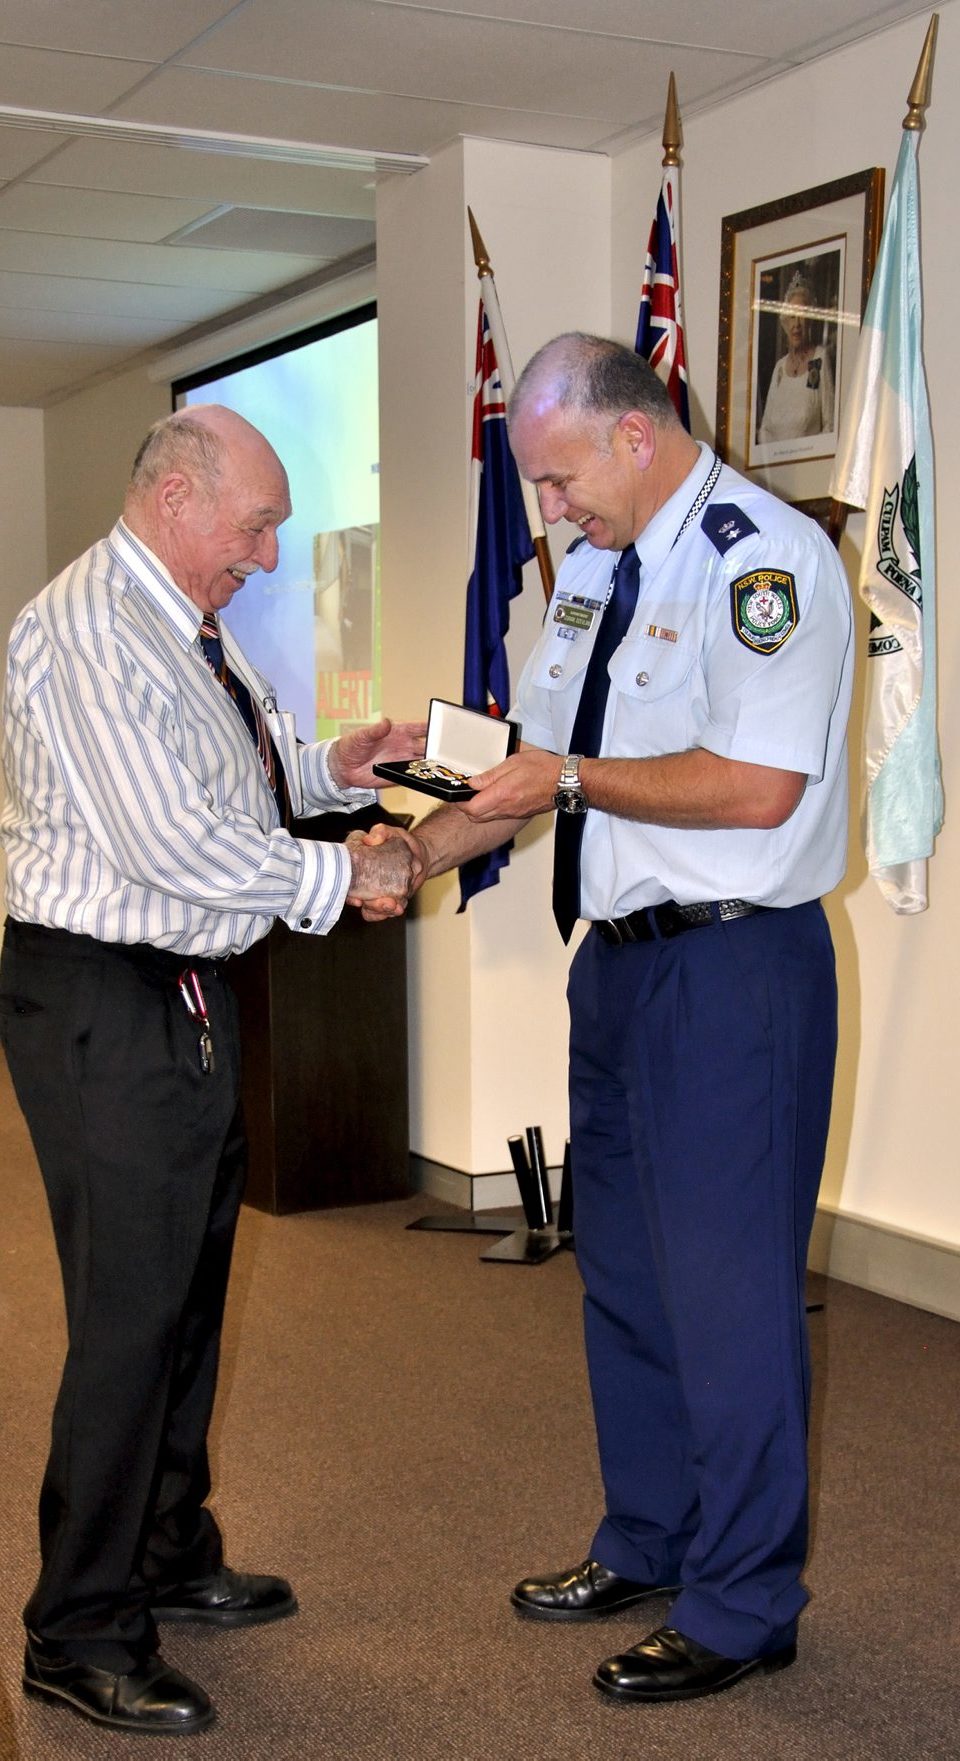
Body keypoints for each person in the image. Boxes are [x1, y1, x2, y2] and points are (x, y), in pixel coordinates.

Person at [361, 334, 853, 1704]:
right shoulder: (583, 575)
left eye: (563, 477)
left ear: (634, 434)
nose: (554, 510)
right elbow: (525, 773)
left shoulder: (764, 563)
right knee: (626, 1273)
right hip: (620, 968)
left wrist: (568, 773)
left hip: (735, 973)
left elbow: (757, 788)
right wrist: (407, 856)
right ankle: (650, 1538)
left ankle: (745, 1602)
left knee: (731, 1297)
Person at [0, 406, 421, 1737]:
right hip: (101, 998)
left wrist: (328, 769)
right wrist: (340, 871)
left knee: (186, 1294)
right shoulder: (82, 633)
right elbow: (169, 843)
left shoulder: (180, 623)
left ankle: (167, 1549)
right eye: (257, 523)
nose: (271, 550)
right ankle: (78, 1625)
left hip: (177, 994)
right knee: (131, 1316)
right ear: (177, 498)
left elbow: (221, 776)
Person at [757, 270, 836, 445]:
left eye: (802, 316)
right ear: (785, 322)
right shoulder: (779, 367)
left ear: (810, 320)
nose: (797, 325)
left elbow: (830, 425)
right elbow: (765, 429)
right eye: (792, 317)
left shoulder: (819, 359)